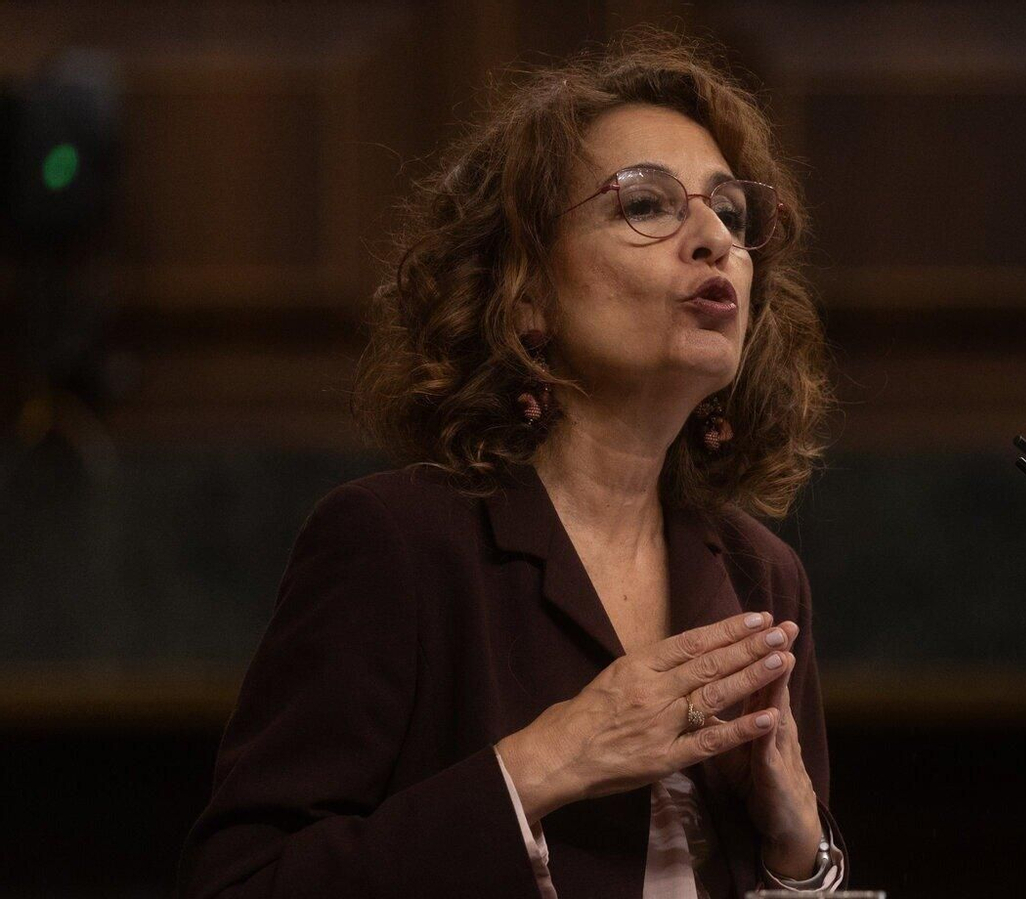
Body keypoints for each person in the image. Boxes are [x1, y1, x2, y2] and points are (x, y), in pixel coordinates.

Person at [177, 27, 844, 899]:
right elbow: (239, 883)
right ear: (525, 292)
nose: (715, 238)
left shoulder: (762, 577)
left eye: (730, 211)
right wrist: (544, 761)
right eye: (646, 204)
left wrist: (803, 855)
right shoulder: (398, 544)